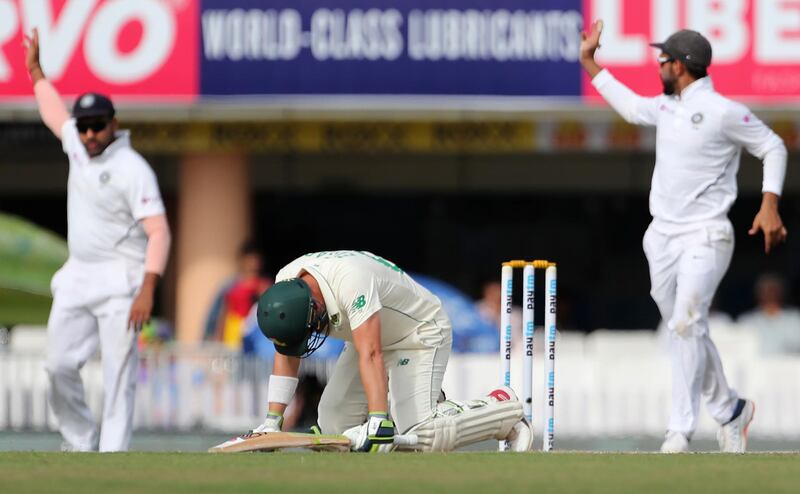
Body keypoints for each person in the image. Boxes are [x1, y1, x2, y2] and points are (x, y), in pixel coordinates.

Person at [580, 22, 788, 453]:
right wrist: (590, 63)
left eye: (663, 59)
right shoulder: (666, 107)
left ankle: (680, 428)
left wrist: (769, 204)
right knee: (684, 330)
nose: (657, 64)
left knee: (686, 322)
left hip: (706, 235)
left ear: (679, 65)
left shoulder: (724, 111)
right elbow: (631, 106)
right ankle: (731, 410)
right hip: (661, 237)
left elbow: (773, 146)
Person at [25, 29, 171, 452]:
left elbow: (158, 231)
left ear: (114, 125)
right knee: (57, 366)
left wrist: (148, 288)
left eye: (97, 127)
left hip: (122, 282)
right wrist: (36, 71)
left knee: (118, 376)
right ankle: (80, 440)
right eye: (84, 126)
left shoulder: (133, 168)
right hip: (77, 275)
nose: (89, 134)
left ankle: (111, 458)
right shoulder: (76, 144)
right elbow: (54, 113)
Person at [244, 250, 532, 452]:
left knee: (421, 433)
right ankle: (419, 409)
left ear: (315, 306)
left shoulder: (349, 279)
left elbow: (372, 354)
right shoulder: (288, 287)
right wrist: (272, 421)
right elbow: (286, 351)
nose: (315, 334)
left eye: (312, 328)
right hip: (368, 337)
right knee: (333, 426)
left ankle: (502, 408)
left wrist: (378, 418)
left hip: (418, 332)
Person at [738, 274, 800, 355]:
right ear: (759, 293)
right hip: (757, 366)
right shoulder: (746, 320)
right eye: (766, 290)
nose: (770, 294)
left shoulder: (794, 318)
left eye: (773, 290)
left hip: (789, 366)